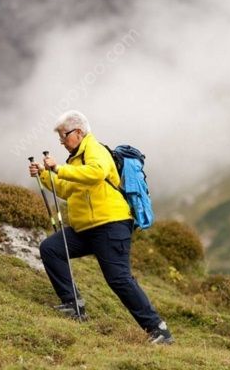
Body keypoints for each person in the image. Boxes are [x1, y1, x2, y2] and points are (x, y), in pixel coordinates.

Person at [28, 110, 174, 344]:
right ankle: (73, 305)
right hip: (85, 228)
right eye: (60, 139)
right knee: (51, 249)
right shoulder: (75, 160)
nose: (62, 142)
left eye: (63, 136)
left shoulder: (94, 149)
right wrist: (45, 175)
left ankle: (158, 329)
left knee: (118, 278)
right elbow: (66, 189)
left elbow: (96, 174)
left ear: (78, 132)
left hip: (110, 225)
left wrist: (58, 169)